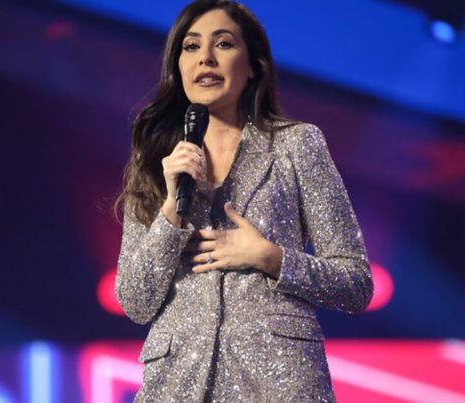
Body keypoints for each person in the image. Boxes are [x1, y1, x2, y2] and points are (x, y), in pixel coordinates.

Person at [115, 1, 373, 401]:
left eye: (223, 44)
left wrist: (270, 257)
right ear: (178, 67)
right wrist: (170, 211)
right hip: (177, 385)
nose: (205, 58)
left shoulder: (296, 145)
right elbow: (135, 301)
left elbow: (356, 284)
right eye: (191, 46)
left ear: (252, 65)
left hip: (278, 384)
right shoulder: (154, 161)